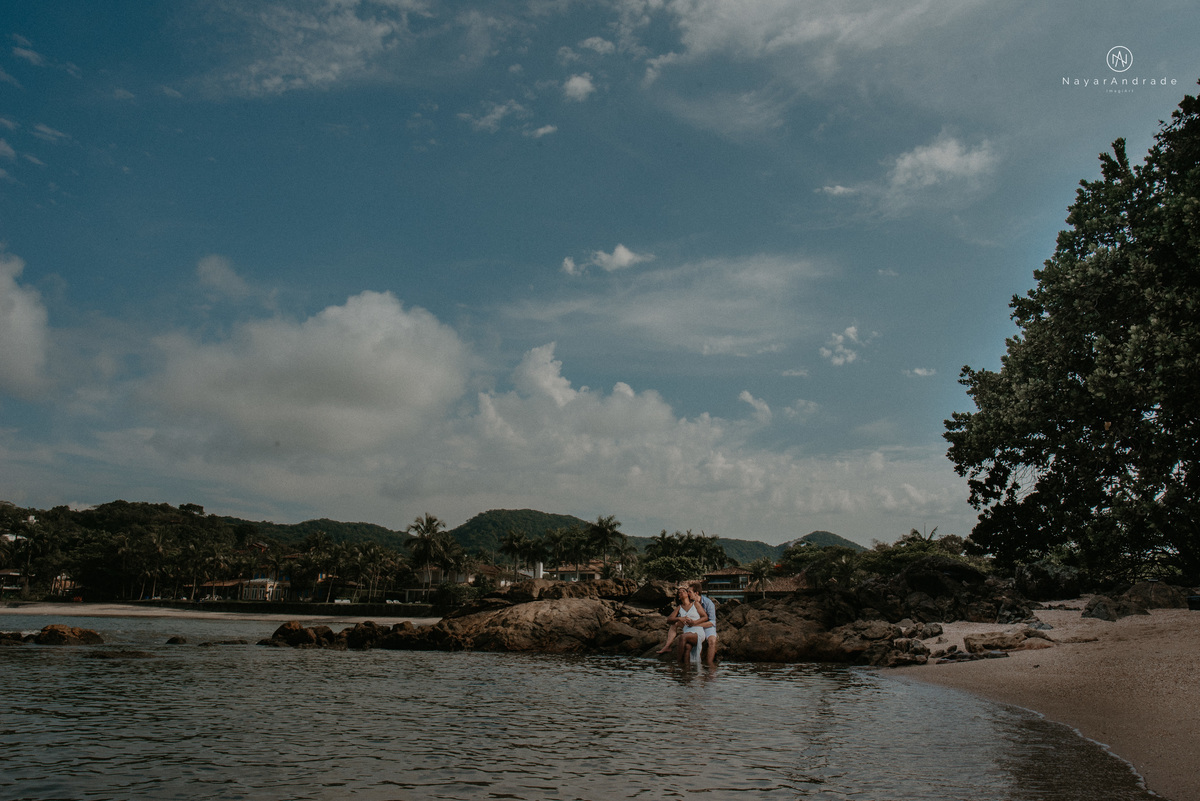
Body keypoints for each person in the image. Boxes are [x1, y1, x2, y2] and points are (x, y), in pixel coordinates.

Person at [673, 584, 708, 664]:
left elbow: (705, 617)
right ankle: (686, 671)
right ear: (679, 597)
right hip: (687, 631)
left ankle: (678, 664)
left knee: (682, 637)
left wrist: (694, 622)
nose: (682, 592)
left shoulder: (695, 604)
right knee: (687, 647)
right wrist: (679, 618)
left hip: (697, 632)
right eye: (679, 592)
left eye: (684, 591)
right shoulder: (679, 607)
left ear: (688, 594)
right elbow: (669, 619)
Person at [689, 582, 718, 666]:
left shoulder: (708, 603)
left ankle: (710, 664)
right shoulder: (690, 603)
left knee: (712, 641)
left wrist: (696, 625)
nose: (688, 593)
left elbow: (712, 622)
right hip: (695, 626)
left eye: (690, 591)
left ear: (696, 593)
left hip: (707, 626)